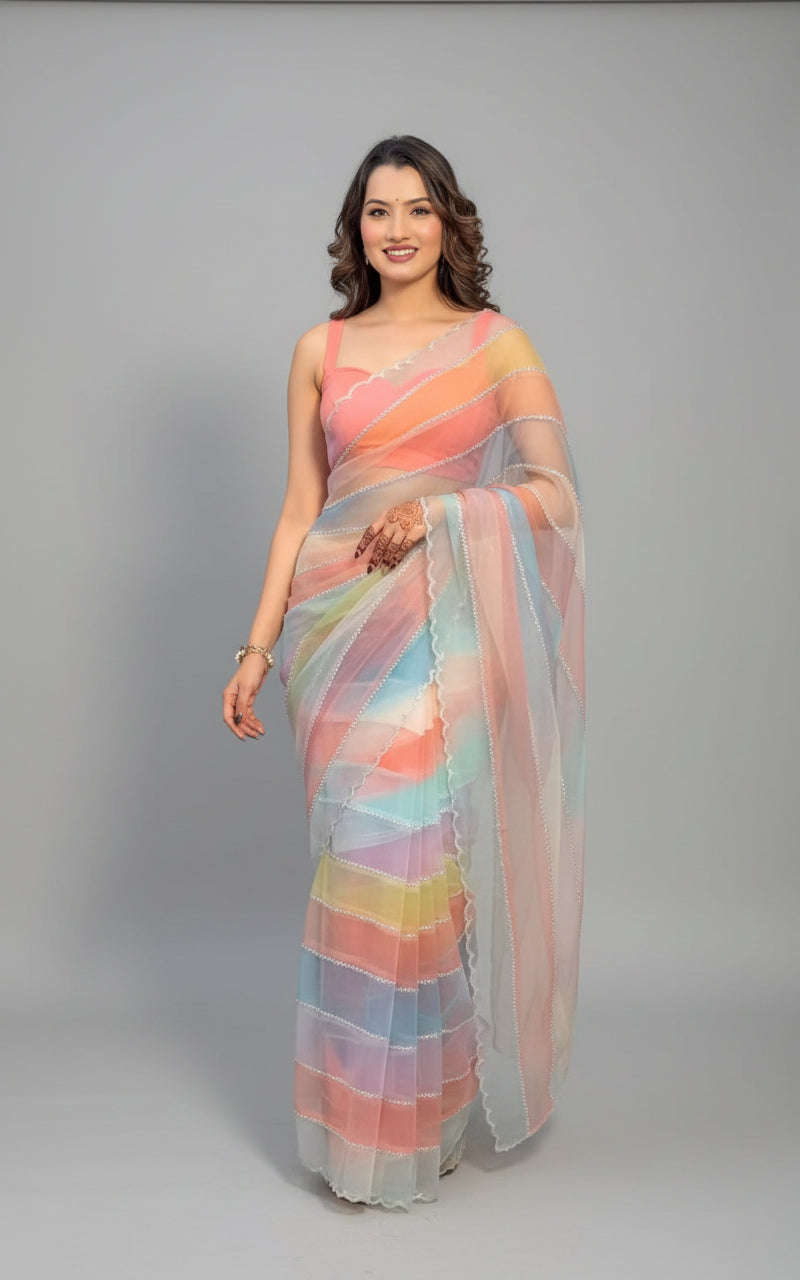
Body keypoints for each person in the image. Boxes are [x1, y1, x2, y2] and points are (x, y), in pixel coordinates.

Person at [222, 135, 586, 1211]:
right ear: (355, 228)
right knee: (356, 867)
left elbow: (555, 493)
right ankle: (358, 1126)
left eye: (416, 209)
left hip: (444, 629)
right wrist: (254, 647)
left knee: (416, 864)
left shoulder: (492, 343)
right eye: (377, 210)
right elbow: (300, 509)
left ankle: (415, 1121)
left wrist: (439, 513)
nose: (396, 229)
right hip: (334, 638)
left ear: (447, 222)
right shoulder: (318, 350)